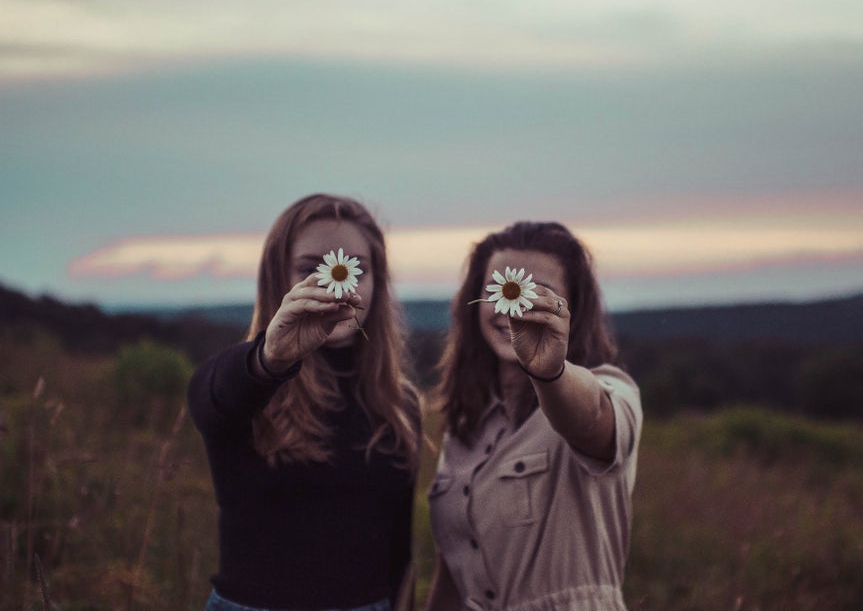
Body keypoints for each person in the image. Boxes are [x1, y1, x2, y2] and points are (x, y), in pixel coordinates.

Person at [188, 194, 421, 611]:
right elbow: (210, 399)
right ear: (278, 277)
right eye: (311, 268)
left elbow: (400, 552)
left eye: (357, 268)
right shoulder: (248, 380)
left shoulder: (400, 403)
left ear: (377, 282)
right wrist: (271, 358)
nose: (336, 282)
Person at [424, 221, 642, 611]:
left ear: (574, 307)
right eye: (502, 288)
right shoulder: (465, 427)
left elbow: (591, 420)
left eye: (540, 292)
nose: (516, 305)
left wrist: (550, 371)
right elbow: (455, 573)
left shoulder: (611, 389)